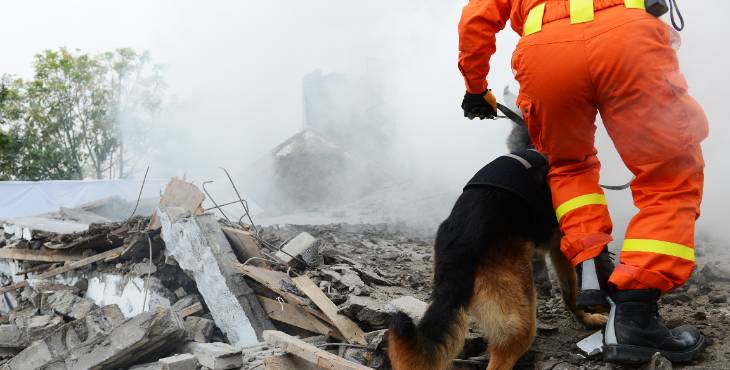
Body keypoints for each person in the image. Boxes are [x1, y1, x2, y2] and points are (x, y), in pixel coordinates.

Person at [458, 0, 708, 364]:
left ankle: (591, 267)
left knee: (569, 166)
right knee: (669, 176)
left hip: (545, 49)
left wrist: (476, 87)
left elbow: (476, 18)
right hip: (625, 36)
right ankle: (635, 315)